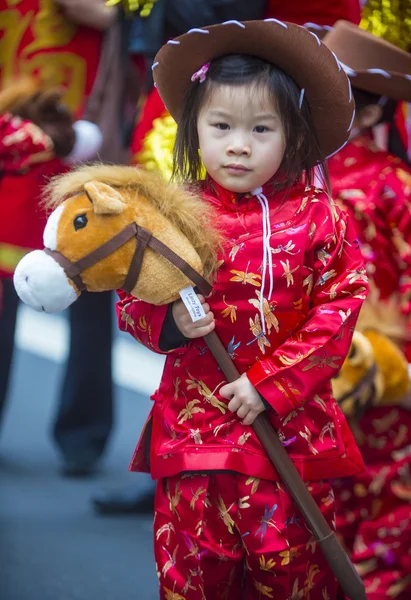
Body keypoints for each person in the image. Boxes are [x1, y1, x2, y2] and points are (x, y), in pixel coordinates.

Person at [116, 20, 368, 599]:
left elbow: (340, 306)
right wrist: (171, 325)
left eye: (261, 128)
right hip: (195, 433)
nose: (239, 144)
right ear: (194, 130)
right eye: (221, 126)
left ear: (292, 133)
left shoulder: (322, 217)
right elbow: (131, 298)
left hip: (290, 432)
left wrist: (270, 385)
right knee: (193, 578)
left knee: (291, 579)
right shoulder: (173, 215)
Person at [0, 0, 139, 476]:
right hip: (13, 121)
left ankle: (83, 434)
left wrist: (109, 13)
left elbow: (126, 18)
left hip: (86, 134)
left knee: (90, 279)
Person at [321, 21, 411, 600]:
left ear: (374, 115)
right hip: (373, 370)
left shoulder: (285, 181)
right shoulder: (395, 184)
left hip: (324, 367)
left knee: (326, 500)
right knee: (384, 502)